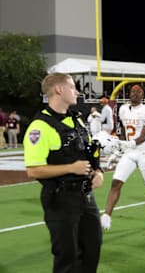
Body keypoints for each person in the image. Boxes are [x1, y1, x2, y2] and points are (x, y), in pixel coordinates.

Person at [23, 72, 104, 272]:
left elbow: (90, 150)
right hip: (61, 200)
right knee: (68, 258)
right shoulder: (39, 127)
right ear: (59, 89)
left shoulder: (77, 120)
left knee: (92, 250)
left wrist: (98, 170)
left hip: (86, 198)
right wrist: (70, 168)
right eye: (72, 87)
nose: (76, 92)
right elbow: (33, 171)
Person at [100, 84, 145, 230]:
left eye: (138, 92)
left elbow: (143, 136)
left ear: (143, 95)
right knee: (116, 182)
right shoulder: (123, 109)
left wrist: (127, 144)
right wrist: (118, 152)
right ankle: (106, 217)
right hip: (130, 154)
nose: (135, 94)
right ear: (129, 94)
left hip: (144, 153)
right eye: (132, 92)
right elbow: (124, 132)